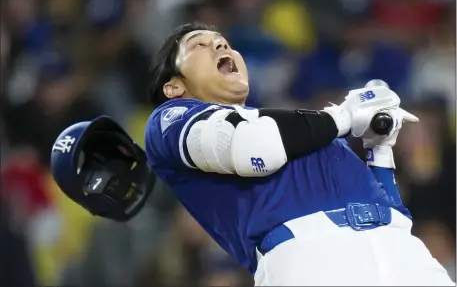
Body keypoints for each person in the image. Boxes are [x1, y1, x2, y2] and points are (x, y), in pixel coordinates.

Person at [50, 22, 454, 285]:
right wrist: (346, 114)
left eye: (221, 40)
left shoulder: (300, 128)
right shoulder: (171, 118)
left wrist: (379, 149)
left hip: (401, 254)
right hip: (314, 262)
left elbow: (395, 215)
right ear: (174, 86)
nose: (219, 43)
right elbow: (254, 150)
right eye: (199, 44)